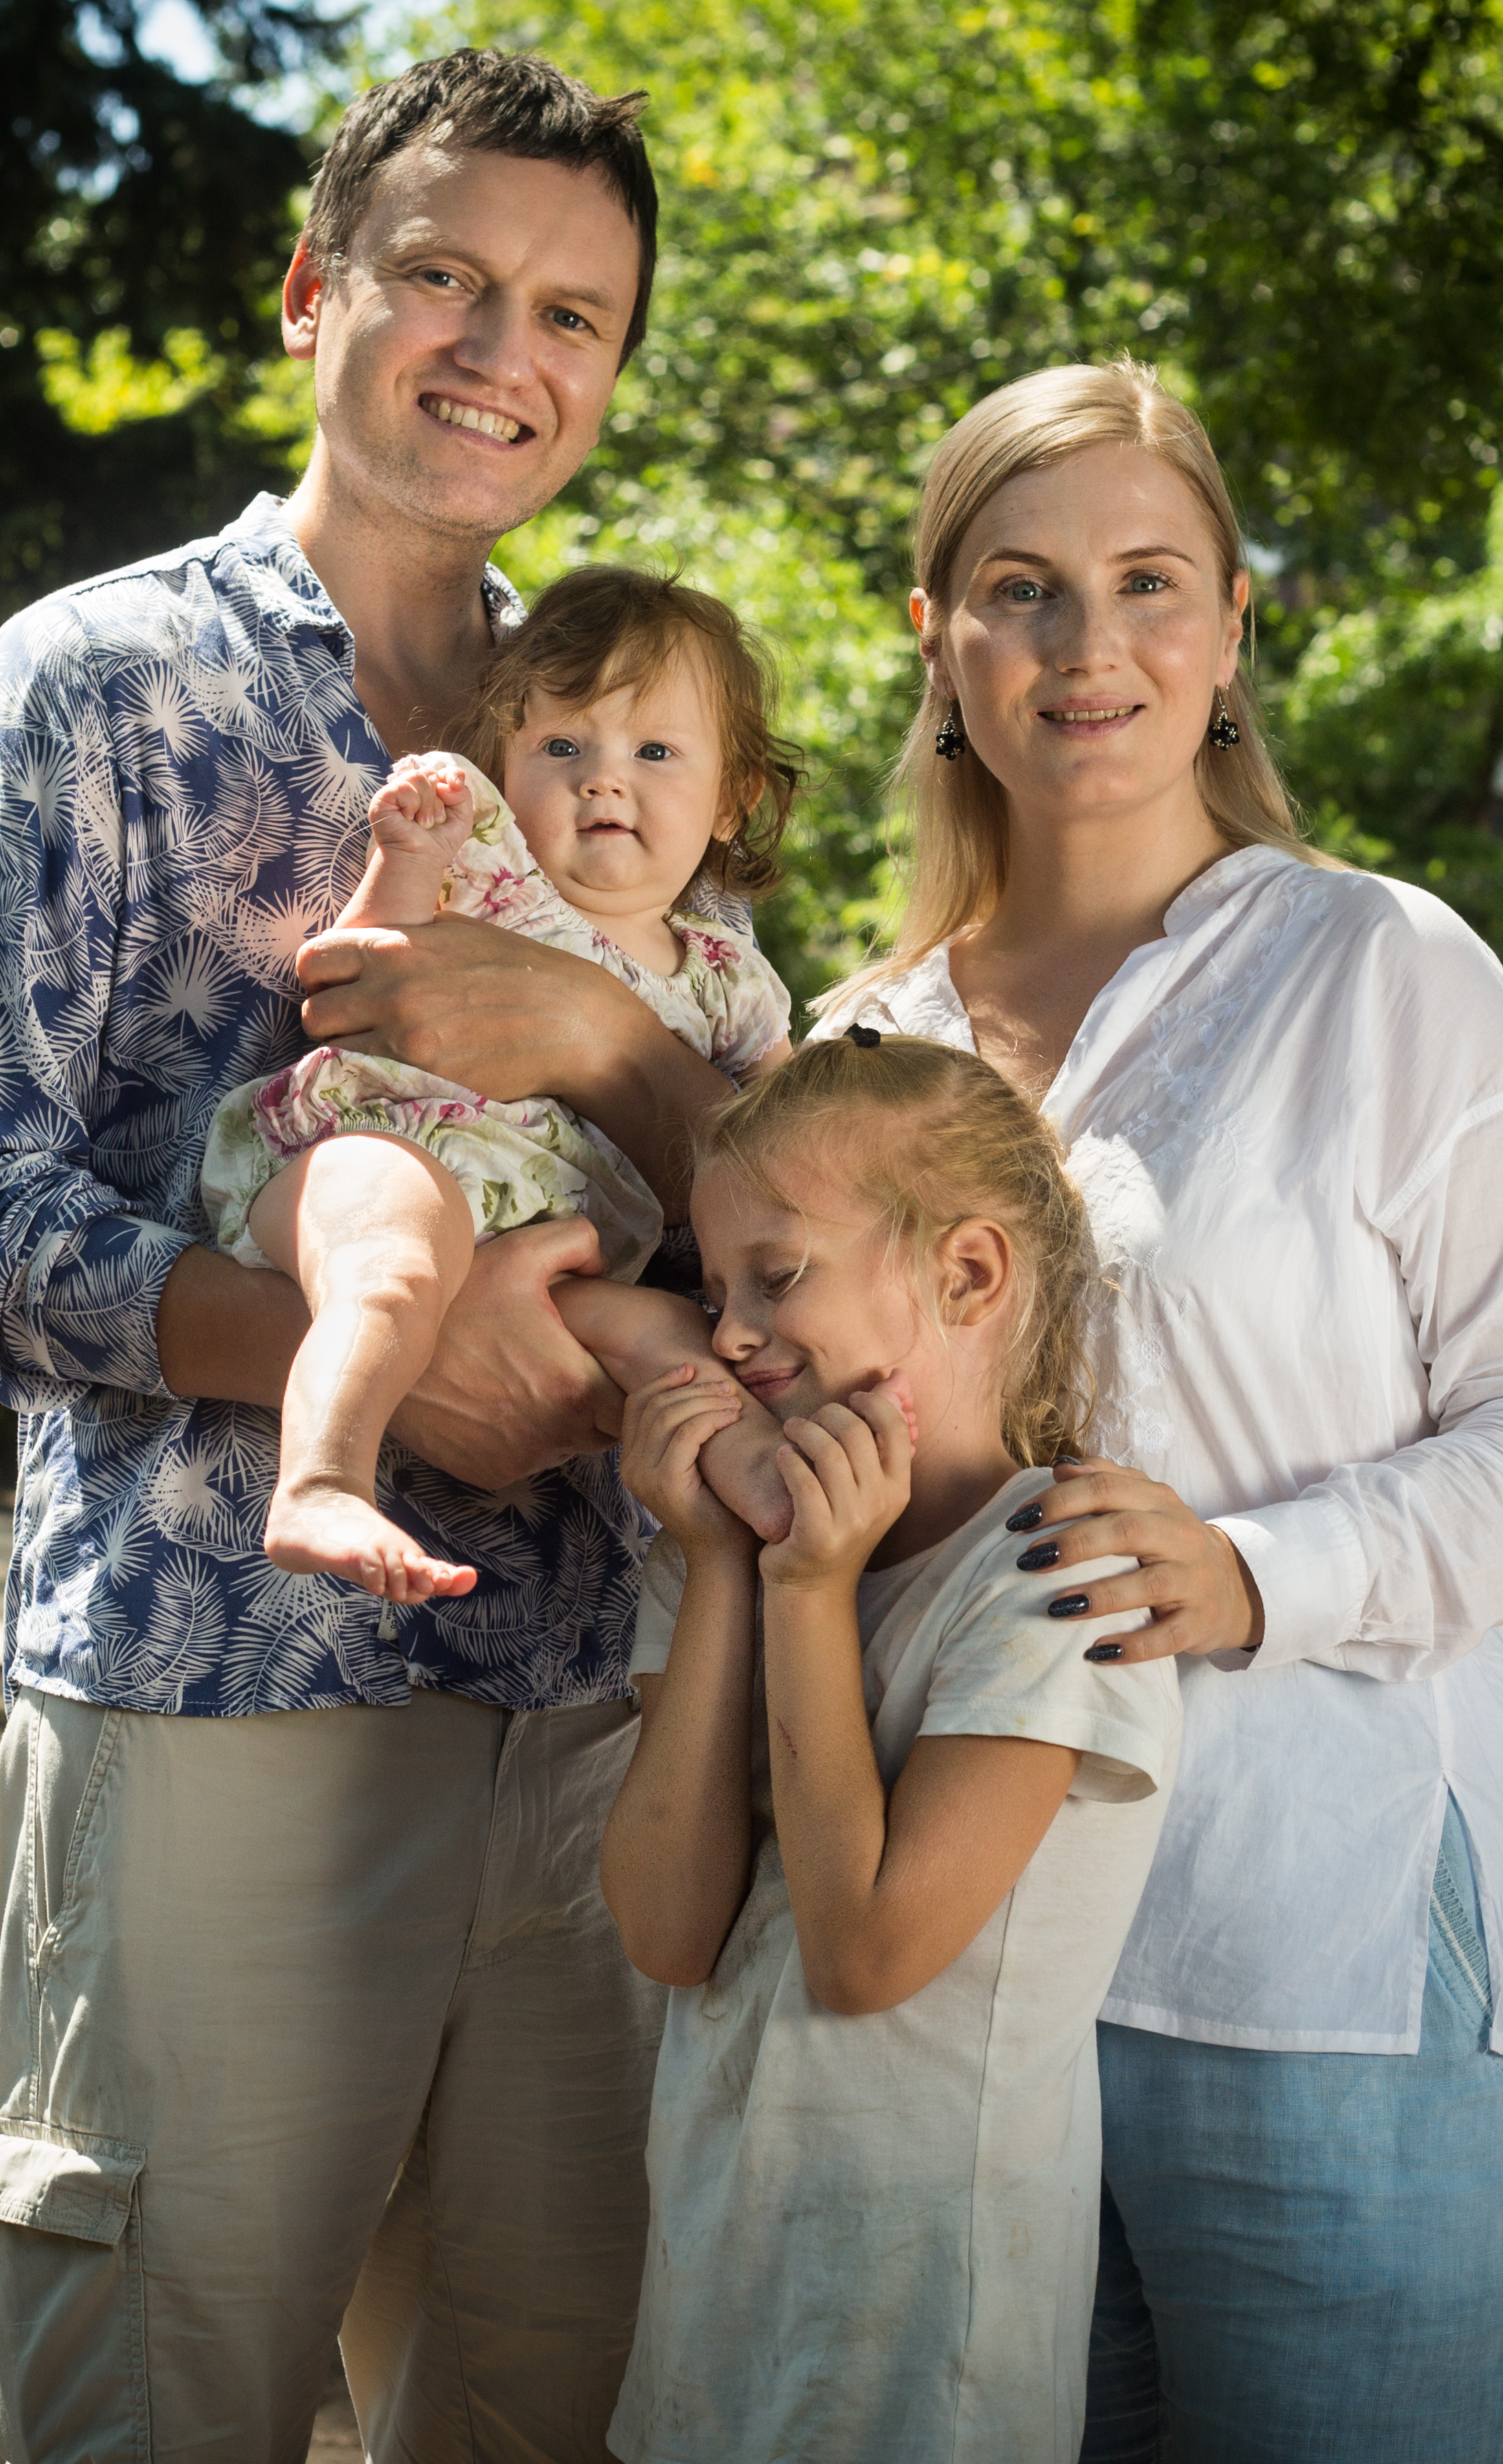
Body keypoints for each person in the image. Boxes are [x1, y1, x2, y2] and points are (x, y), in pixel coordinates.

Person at [0, 51, 739, 2464]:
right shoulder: (96, 687)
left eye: (572, 313)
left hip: (580, 1722)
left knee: (545, 2417)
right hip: (209, 1707)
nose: (500, 350)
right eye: (442, 277)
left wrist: (605, 1047)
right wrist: (349, 1356)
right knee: (171, 2407)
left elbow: (764, 1183)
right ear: (309, 294)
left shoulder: (630, 722)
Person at [811, 362, 1503, 2463]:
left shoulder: (1388, 970)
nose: (1090, 648)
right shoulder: (852, 1044)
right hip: (963, 1972)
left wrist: (1259, 1570)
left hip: (1319, 1952)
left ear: (1235, 624)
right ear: (935, 637)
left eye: (1148, 582)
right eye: (1022, 589)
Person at [599, 1031, 1179, 2463]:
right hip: (720, 2316)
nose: (727, 1334)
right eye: (714, 1285)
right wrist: (735, 1569)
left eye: (777, 1276)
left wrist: (805, 1589)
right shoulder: (731, 1550)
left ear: (968, 1275)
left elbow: (862, 1954)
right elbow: (668, 1931)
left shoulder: (1051, 1581)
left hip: (928, 2362)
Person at [194, 567, 807, 1602]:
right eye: (561, 748)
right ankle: (321, 1481)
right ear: (503, 770)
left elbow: (783, 1155)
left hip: (560, 1263)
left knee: (676, 1348)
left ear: (731, 799)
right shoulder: (490, 878)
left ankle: (786, 1512)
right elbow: (356, 969)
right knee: (388, 1264)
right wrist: (407, 854)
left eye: (654, 753)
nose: (603, 780)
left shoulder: (726, 981)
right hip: (388, 1153)